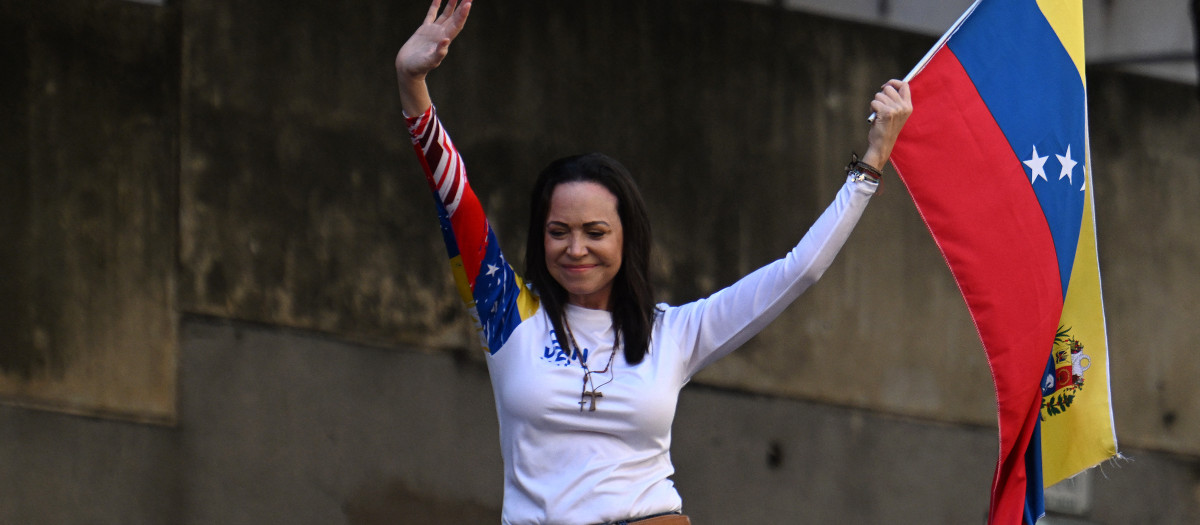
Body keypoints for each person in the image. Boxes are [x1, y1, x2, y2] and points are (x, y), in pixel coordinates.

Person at [395, 1, 912, 523]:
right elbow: (454, 199)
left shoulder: (676, 332)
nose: (576, 249)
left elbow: (798, 270)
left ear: (628, 239)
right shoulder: (507, 313)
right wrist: (412, 86)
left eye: (596, 232)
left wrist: (870, 165)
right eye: (558, 232)